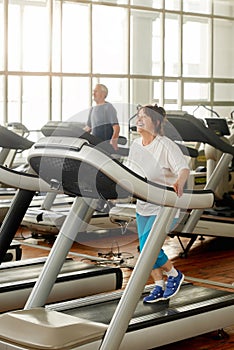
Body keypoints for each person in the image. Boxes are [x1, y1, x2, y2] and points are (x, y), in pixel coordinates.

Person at [125, 104, 190, 303]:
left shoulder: (165, 145)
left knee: (148, 248)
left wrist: (179, 182)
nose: (139, 119)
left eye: (144, 116)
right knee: (146, 249)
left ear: (157, 122)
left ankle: (173, 275)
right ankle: (159, 285)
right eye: (138, 116)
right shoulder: (136, 145)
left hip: (164, 206)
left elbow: (184, 169)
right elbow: (130, 171)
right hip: (143, 205)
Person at [84, 84, 120, 151]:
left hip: (105, 146)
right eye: (93, 91)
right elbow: (88, 128)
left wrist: (114, 140)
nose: (93, 94)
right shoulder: (92, 109)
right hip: (95, 145)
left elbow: (116, 127)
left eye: (96, 91)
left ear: (103, 94)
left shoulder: (108, 107)